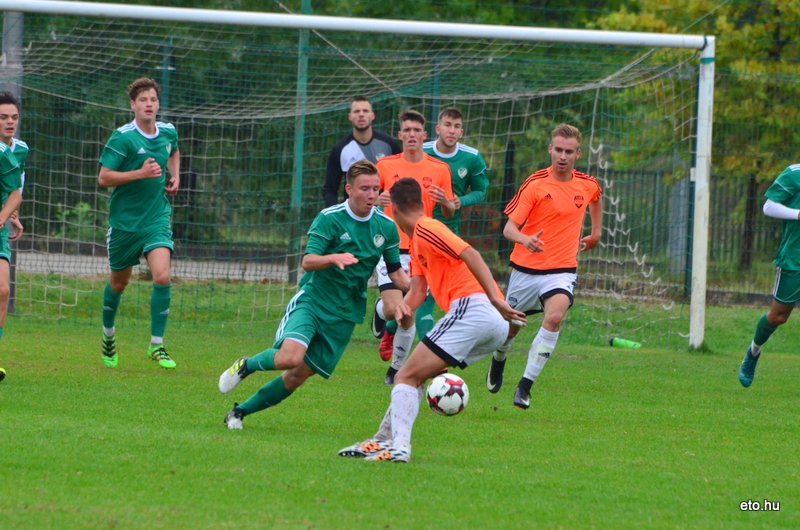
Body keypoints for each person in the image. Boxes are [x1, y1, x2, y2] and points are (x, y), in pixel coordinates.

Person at [338, 177, 527, 462]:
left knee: (404, 376)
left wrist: (494, 297)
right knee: (415, 375)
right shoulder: (416, 242)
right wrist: (405, 308)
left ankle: (399, 447)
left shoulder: (428, 228)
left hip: (473, 308)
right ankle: (380, 441)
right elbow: (418, 290)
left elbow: (470, 253)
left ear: (396, 211)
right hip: (489, 324)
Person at [217, 160, 409, 430]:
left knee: (296, 376)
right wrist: (332, 258)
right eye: (365, 188)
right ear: (349, 189)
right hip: (313, 301)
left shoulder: (386, 227)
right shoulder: (330, 218)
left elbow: (396, 274)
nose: (371, 195)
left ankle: (238, 412)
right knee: (290, 357)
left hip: (344, 315)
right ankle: (246, 365)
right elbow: (307, 261)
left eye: (376, 189)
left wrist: (424, 284)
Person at [485, 123, 602, 409]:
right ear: (550, 149)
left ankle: (525, 386)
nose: (562, 156)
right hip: (525, 270)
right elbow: (509, 229)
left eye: (569, 152)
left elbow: (596, 198)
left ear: (578, 154)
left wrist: (596, 233)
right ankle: (499, 356)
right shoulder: (536, 184)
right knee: (511, 328)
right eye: (558, 150)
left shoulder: (587, 184)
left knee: (554, 318)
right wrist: (525, 239)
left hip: (561, 270)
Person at [97, 77, 180, 369]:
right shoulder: (122, 138)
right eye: (143, 100)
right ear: (133, 104)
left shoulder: (168, 131)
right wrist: (139, 174)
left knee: (162, 276)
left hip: (156, 218)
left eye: (153, 100)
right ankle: (108, 335)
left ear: (158, 104)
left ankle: (156, 345)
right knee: (119, 283)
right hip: (124, 223)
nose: (149, 104)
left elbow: (174, 151)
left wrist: (176, 175)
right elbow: (104, 178)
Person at [371, 110, 455, 384]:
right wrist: (375, 200)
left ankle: (396, 369)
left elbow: (450, 211)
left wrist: (446, 202)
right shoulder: (384, 165)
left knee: (408, 315)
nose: (411, 135)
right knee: (396, 309)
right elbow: (367, 200)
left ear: (424, 135)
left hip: (423, 250)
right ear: (400, 134)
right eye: (406, 130)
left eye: (416, 130)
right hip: (391, 248)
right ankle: (381, 310)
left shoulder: (439, 169)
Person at [739, 164, 800, 387]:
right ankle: (753, 353)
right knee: (778, 317)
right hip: (795, 258)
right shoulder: (795, 174)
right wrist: (798, 214)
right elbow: (769, 207)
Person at [323, 96, 401, 207]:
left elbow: (401, 179)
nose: (361, 114)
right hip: (353, 215)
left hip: (383, 212)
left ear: (372, 115)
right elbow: (330, 190)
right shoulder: (340, 149)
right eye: (356, 111)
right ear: (350, 116)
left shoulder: (389, 144)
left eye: (365, 111)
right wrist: (334, 217)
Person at [423, 107, 489, 234]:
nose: (452, 131)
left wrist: (461, 201)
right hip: (418, 227)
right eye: (447, 125)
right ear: (438, 129)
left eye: (457, 126)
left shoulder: (472, 157)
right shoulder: (421, 151)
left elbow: (480, 191)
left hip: (450, 230)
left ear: (461, 132)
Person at [0, 92, 23, 383]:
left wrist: (7, 216)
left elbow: (14, 191)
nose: (9, 122)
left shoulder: (13, 152)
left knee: (3, 291)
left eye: (14, 117)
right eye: (3, 117)